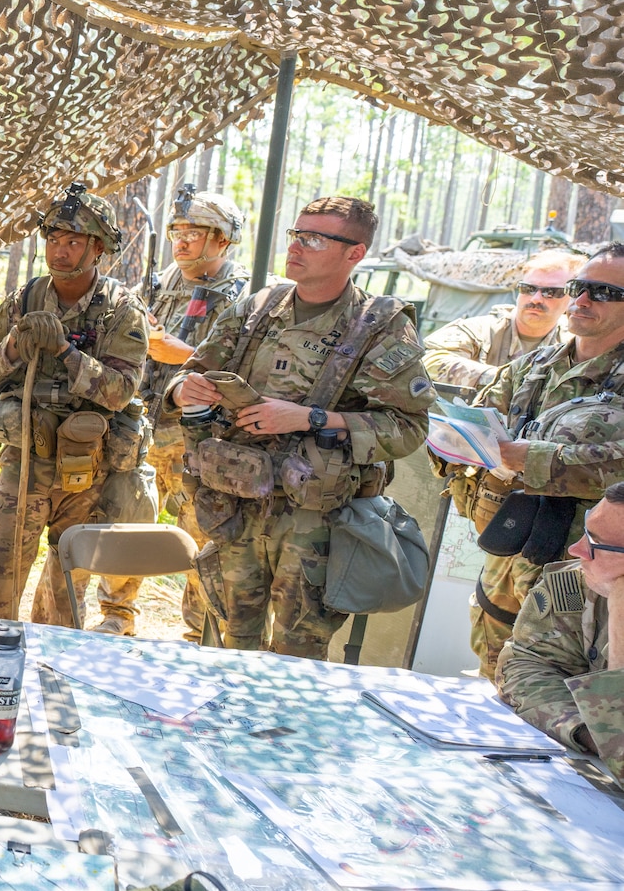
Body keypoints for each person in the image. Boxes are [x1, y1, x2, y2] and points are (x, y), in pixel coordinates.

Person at [169, 196, 432, 660]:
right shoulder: (256, 309)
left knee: (299, 655)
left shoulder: (380, 326)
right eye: (296, 235)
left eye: (315, 239)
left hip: (315, 524)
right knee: (229, 644)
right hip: (236, 506)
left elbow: (408, 428)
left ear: (355, 253)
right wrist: (181, 391)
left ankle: (286, 733)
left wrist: (312, 418)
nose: (297, 247)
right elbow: (187, 376)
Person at [0, 183, 148, 624]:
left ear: (98, 249)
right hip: (25, 461)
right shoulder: (22, 301)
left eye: (73, 242)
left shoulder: (121, 311)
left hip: (86, 470)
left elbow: (120, 391)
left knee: (66, 584)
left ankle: (52, 671)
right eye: (53, 240)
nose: (60, 252)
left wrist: (67, 353)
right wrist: (14, 344)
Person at [96, 185, 249, 638]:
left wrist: (172, 352)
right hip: (145, 429)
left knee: (202, 537)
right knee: (128, 518)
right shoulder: (161, 284)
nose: (180, 242)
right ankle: (116, 615)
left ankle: (196, 634)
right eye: (176, 231)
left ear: (222, 239)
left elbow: (235, 372)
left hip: (200, 440)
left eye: (194, 233)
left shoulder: (244, 298)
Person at [466, 244, 624, 679]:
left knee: (559, 692)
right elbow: (484, 422)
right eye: (578, 288)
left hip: (581, 571)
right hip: (508, 547)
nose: (582, 300)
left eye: (603, 292)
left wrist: (533, 460)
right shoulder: (532, 366)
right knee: (492, 677)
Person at [497, 479, 624, 780]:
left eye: (596, 545)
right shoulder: (574, 586)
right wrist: (582, 729)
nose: (576, 550)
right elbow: (527, 662)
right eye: (585, 531)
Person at [421, 248, 580, 389]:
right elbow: (431, 362)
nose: (536, 299)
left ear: (572, 298)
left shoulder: (576, 343)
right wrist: (504, 380)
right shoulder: (481, 330)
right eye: (528, 289)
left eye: (551, 292)